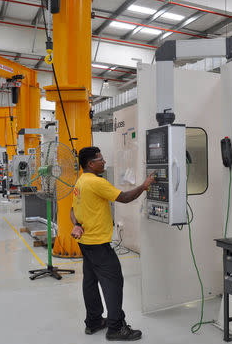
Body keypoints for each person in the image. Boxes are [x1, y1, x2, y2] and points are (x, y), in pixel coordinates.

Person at [70, 146, 155, 341]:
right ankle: (116, 327)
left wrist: (77, 225)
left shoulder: (80, 182)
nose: (104, 162)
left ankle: (93, 322)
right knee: (114, 282)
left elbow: (73, 211)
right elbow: (124, 198)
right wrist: (144, 185)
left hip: (85, 242)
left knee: (90, 282)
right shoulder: (96, 182)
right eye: (100, 159)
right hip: (98, 244)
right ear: (91, 164)